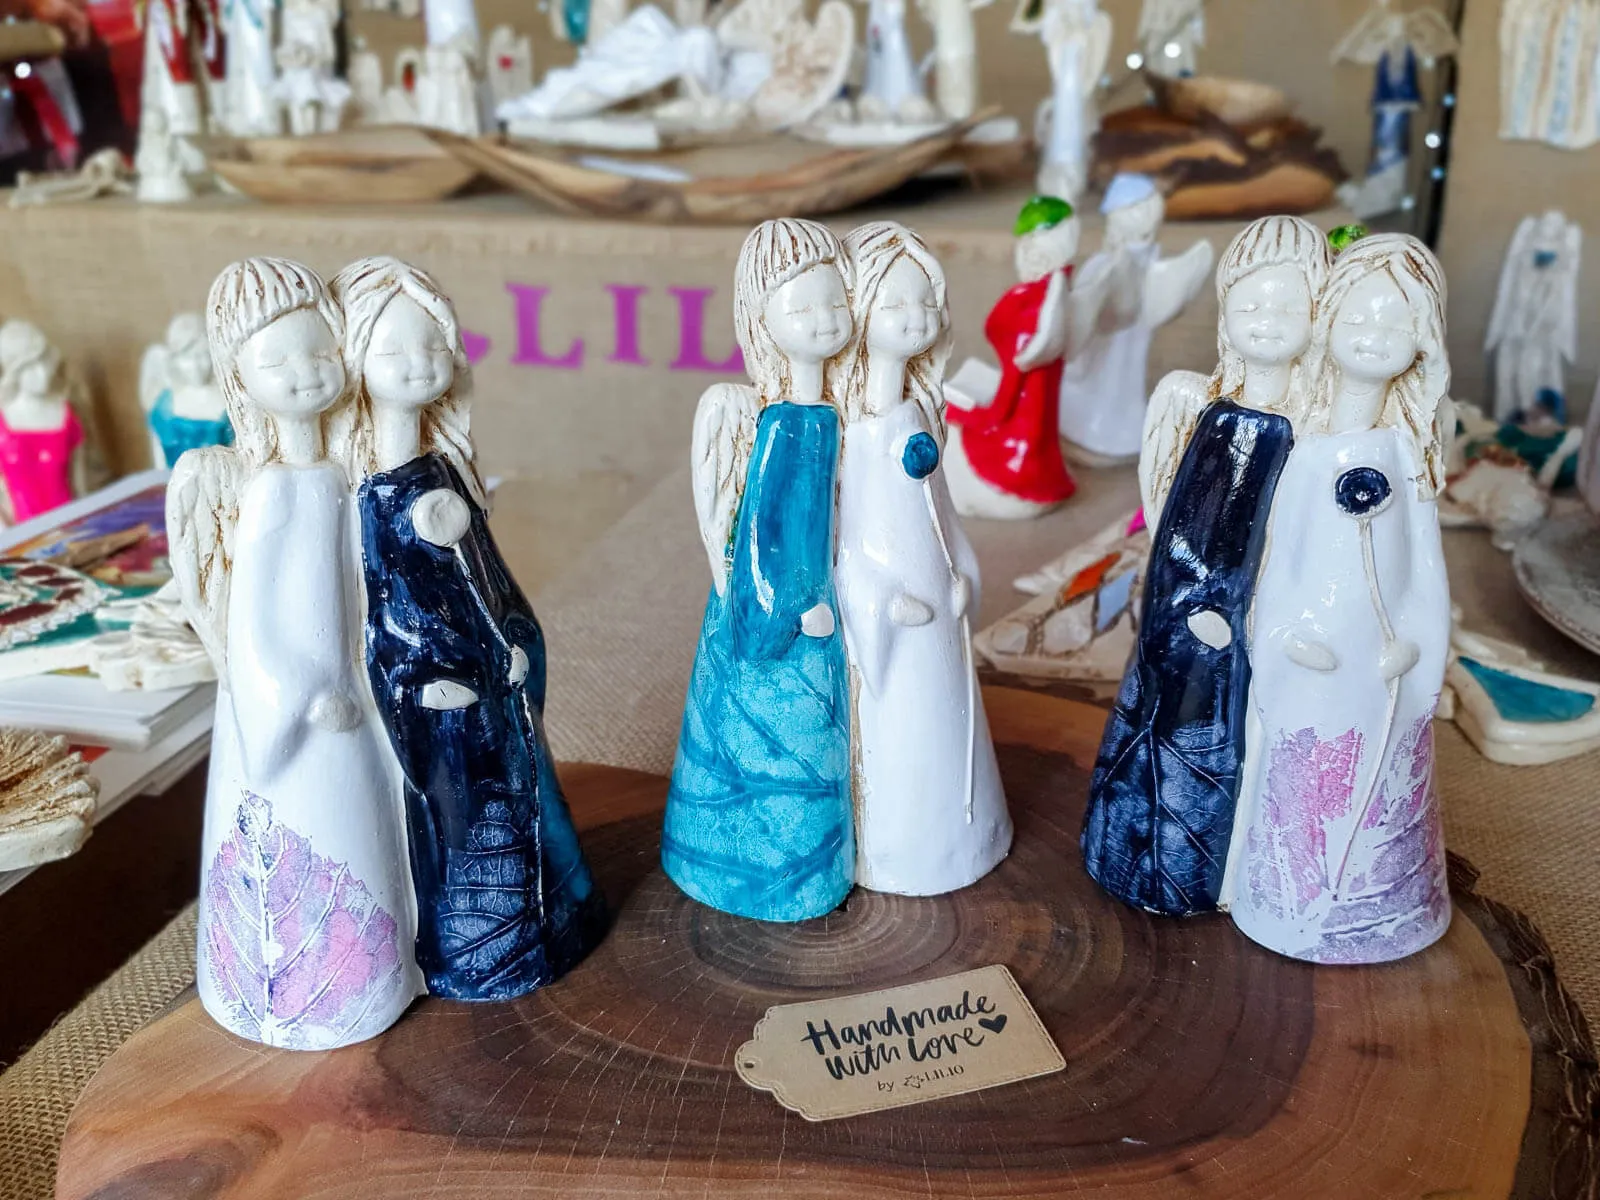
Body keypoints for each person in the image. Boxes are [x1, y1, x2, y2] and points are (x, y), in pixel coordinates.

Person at [332, 256, 607, 1000]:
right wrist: (427, 683)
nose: (419, 364)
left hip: (497, 688)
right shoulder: (363, 498)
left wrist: (515, 635)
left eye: (433, 345)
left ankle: (558, 921)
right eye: (394, 350)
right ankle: (479, 954)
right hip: (443, 709)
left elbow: (490, 583)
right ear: (357, 360)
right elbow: (384, 612)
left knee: (531, 806)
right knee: (467, 832)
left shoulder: (449, 473)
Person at [172, 257, 422, 1050]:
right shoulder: (272, 491)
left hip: (354, 689)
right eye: (278, 363)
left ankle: (374, 975)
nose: (308, 374)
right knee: (312, 833)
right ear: (243, 380)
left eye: (320, 353)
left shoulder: (343, 477)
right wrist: (300, 695)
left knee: (365, 827)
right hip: (305, 711)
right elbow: (254, 618)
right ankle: (298, 993)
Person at [1081, 215, 1329, 916]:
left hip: (1267, 617)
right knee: (1169, 729)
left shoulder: (1314, 435)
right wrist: (1192, 612)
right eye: (1251, 305)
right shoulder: (1195, 406)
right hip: (1187, 621)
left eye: (1287, 307)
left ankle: (1235, 876)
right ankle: (1144, 862)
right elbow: (1166, 515)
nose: (1266, 323)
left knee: (1253, 740)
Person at [1226, 233, 1452, 964]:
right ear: (1328, 325)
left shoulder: (1408, 456)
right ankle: (1287, 905)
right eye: (1358, 319)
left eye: (1395, 324)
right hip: (1311, 658)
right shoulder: (1306, 451)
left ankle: (1383, 908)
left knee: (1381, 782)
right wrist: (1284, 637)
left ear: (1421, 340)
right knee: (1305, 782)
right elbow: (1277, 561)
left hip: (1382, 662)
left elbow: (1426, 571)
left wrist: (1418, 644)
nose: (1374, 338)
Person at [663, 218, 856, 922]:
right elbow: (755, 534)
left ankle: (807, 865)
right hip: (780, 622)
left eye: (835, 304)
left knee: (812, 744)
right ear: (760, 319)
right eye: (801, 309)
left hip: (821, 611)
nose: (824, 321)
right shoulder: (773, 421)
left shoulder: (829, 415)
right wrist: (785, 611)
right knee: (773, 744)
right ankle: (765, 870)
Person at [831, 221, 1011, 897]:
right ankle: (902, 848)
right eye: (897, 304)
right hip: (894, 610)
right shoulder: (846, 431)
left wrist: (964, 569)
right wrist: (878, 599)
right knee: (903, 728)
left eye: (927, 302)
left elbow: (943, 514)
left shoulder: (923, 413)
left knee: (949, 715)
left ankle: (968, 835)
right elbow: (842, 535)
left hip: (939, 593)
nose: (917, 318)